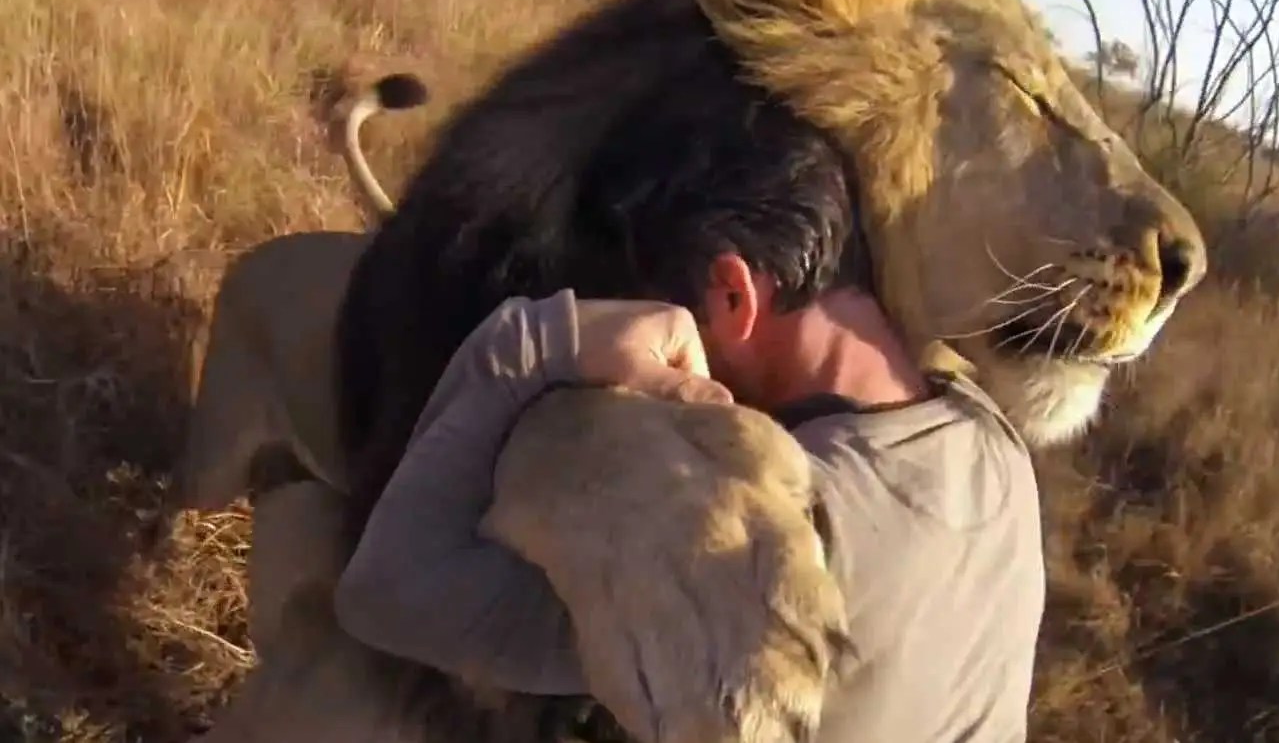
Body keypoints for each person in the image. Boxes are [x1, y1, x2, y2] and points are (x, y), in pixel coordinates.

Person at [334, 81, 1046, 741]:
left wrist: (537, 341)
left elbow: (385, 592)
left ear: (731, 294)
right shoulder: (994, 443)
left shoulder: (748, 555)